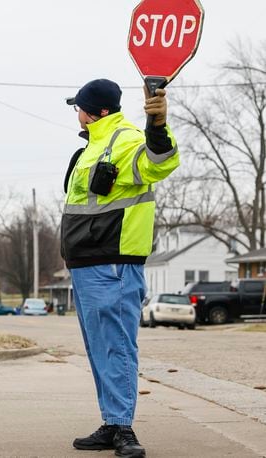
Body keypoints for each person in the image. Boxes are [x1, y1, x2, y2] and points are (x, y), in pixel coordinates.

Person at [62, 79, 178, 458]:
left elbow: (158, 162)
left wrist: (157, 127)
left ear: (97, 112)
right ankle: (112, 422)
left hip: (112, 261)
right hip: (87, 263)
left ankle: (124, 429)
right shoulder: (92, 146)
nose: (75, 112)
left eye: (78, 106)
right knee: (100, 348)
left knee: (116, 346)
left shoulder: (124, 138)